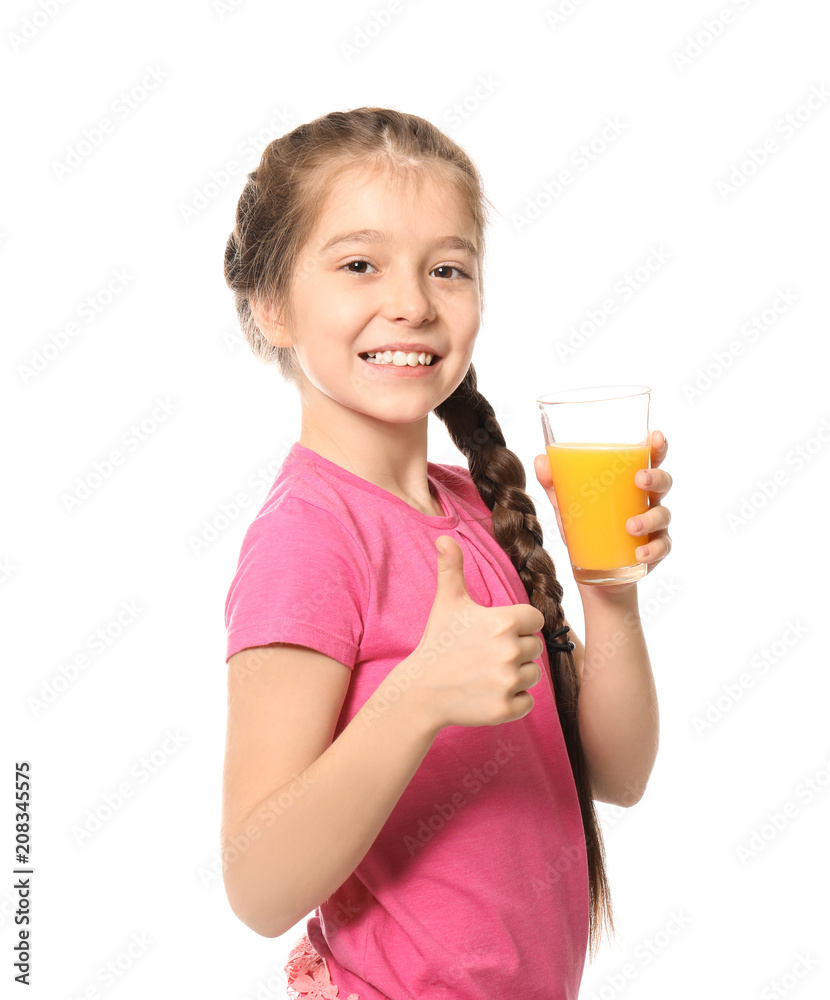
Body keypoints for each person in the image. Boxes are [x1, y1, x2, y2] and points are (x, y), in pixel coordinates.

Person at [220, 107, 673, 1000]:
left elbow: (619, 774)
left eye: (448, 269)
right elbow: (257, 883)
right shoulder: (309, 539)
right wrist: (418, 696)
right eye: (359, 265)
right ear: (270, 305)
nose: (414, 303)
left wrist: (606, 588)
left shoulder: (471, 511)